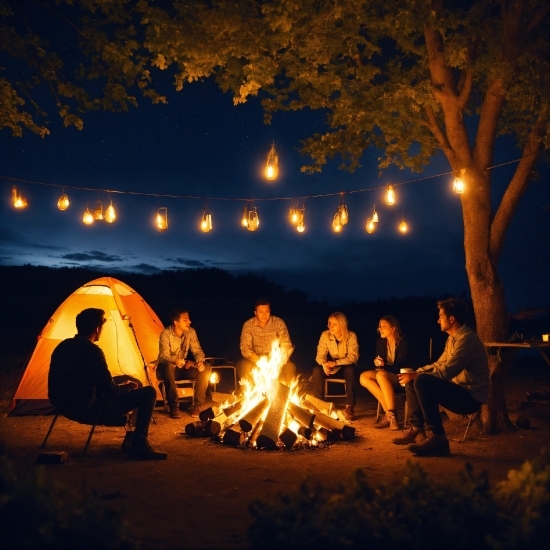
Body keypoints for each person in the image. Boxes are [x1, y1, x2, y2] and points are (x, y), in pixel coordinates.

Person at [48, 308, 167, 460]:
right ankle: (139, 444)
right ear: (97, 329)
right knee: (149, 392)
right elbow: (111, 392)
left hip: (62, 405)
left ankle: (125, 427)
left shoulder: (62, 346)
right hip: (88, 410)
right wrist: (128, 387)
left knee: (119, 382)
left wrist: (119, 386)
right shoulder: (93, 351)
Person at [393, 298, 489, 457]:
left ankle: (439, 439)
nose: (438, 320)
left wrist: (418, 375)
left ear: (452, 319)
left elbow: (447, 371)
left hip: (470, 397)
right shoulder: (452, 339)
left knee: (421, 380)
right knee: (414, 380)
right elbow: (439, 364)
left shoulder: (467, 340)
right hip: (458, 390)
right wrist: (414, 373)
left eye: (441, 316)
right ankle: (417, 429)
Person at [156, 308, 211, 418]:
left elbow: (197, 350)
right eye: (185, 320)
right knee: (168, 366)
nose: (189, 322)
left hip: (182, 368)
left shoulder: (191, 332)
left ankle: (197, 405)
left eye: (189, 319)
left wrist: (199, 361)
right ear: (176, 323)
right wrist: (175, 360)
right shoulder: (166, 334)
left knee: (206, 367)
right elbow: (164, 356)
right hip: (167, 369)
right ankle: (174, 405)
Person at [359, 315, 412, 430]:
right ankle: (391, 414)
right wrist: (377, 362)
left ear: (393, 328)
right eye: (379, 326)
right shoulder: (381, 342)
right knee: (364, 377)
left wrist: (384, 366)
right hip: (385, 375)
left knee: (381, 374)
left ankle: (391, 415)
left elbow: (401, 366)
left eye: (383, 326)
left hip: (402, 377)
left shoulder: (404, 342)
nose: (380, 329)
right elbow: (380, 362)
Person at [237, 299, 296, 389]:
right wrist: (260, 362)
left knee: (290, 367)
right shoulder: (248, 325)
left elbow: (286, 344)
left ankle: (286, 397)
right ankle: (251, 398)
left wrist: (279, 361)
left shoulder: (278, 323)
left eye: (266, 312)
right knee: (244, 366)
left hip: (275, 357)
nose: (264, 315)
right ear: (255, 312)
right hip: (254, 357)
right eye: (261, 312)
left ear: (270, 311)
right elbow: (245, 348)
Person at [312, 312, 359, 421]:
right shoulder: (325, 335)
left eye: (334, 324)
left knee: (350, 370)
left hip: (346, 366)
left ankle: (350, 406)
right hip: (333, 366)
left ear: (342, 324)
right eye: (329, 323)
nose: (330, 326)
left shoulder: (351, 336)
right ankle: (319, 405)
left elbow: (353, 357)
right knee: (316, 370)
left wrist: (336, 363)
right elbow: (319, 356)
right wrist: (324, 365)